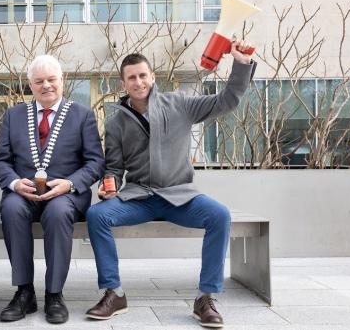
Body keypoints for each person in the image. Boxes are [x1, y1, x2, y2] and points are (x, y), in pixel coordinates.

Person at [85, 42, 256, 328]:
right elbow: (113, 167)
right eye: (131, 77)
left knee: (219, 215)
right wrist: (109, 186)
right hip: (139, 198)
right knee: (97, 215)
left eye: (143, 75)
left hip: (180, 197)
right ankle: (114, 293)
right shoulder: (115, 123)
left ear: (152, 77)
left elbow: (227, 100)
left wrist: (240, 64)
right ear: (123, 83)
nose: (138, 82)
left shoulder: (180, 104)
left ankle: (206, 297)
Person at [0, 54, 105, 324]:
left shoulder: (82, 115)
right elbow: (0, 161)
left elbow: (96, 161)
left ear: (62, 81)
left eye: (52, 79)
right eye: (39, 81)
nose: (46, 86)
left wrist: (71, 183)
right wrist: (14, 183)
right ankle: (24, 292)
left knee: (56, 211)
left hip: (66, 195)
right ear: (30, 85)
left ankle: (54, 293)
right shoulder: (14, 115)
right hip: (24, 194)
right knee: (10, 206)